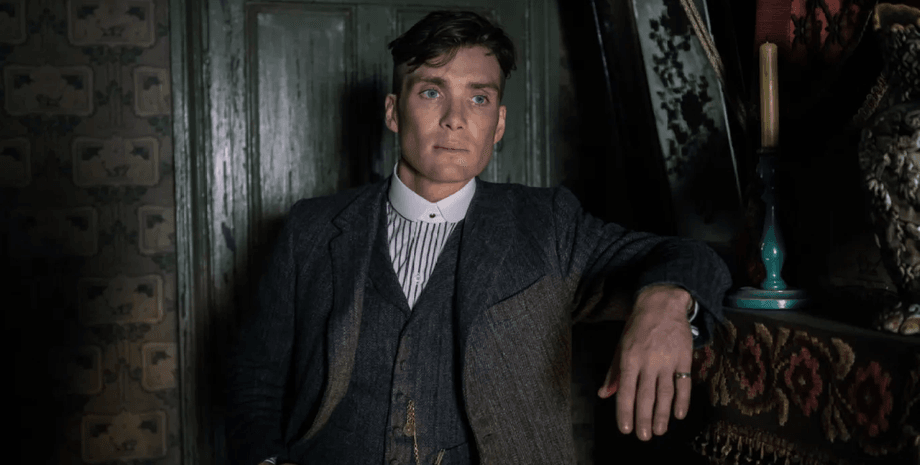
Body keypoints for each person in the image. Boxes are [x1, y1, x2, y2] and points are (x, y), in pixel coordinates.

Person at [226, 10, 732, 465]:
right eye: (431, 92)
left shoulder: (549, 224)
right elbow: (256, 379)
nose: (455, 118)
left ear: (499, 123)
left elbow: (688, 254)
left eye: (479, 97)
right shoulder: (311, 228)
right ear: (393, 111)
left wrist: (666, 304)